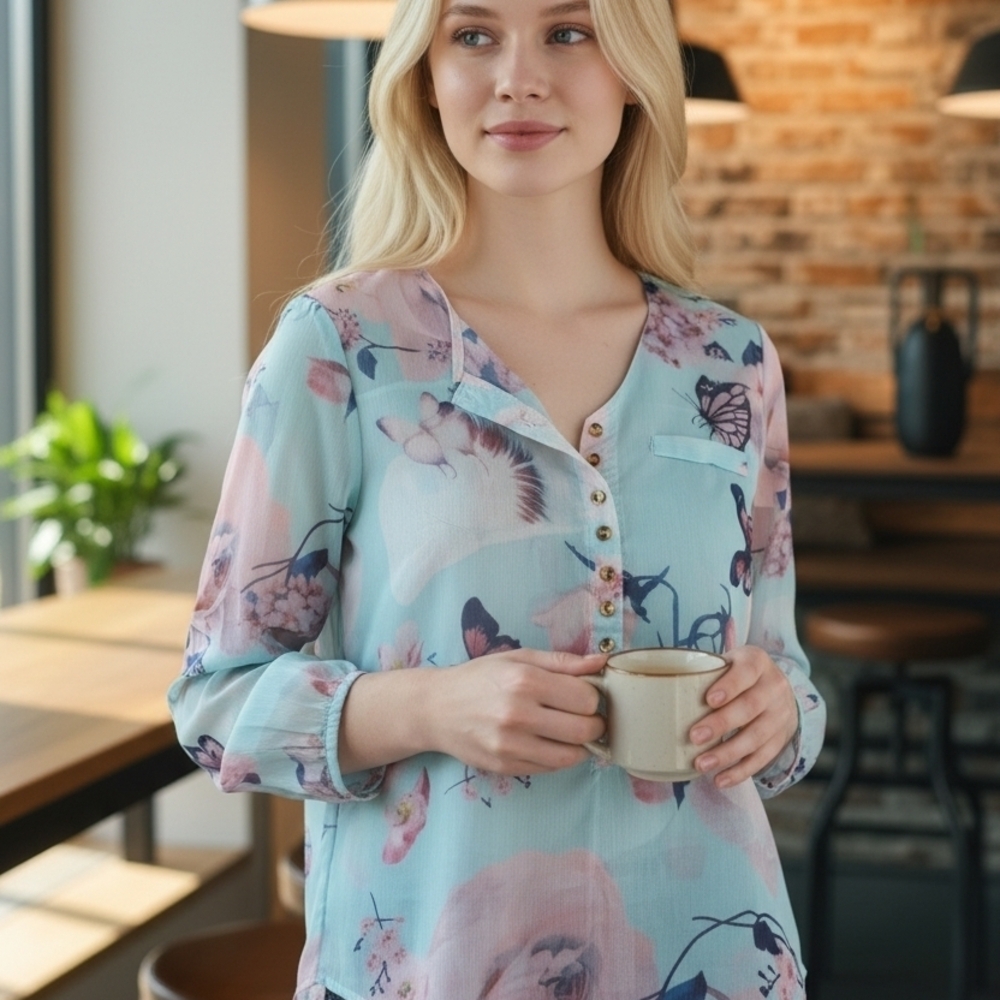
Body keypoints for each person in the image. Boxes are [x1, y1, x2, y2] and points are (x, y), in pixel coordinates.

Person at [169, 0, 826, 997]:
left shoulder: (728, 361)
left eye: (569, 31)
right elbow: (215, 701)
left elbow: (783, 672)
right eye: (473, 34)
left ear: (634, 68)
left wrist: (779, 712)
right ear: (424, 72)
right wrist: (429, 704)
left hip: (714, 958)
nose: (517, 75)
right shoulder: (340, 346)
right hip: (435, 967)